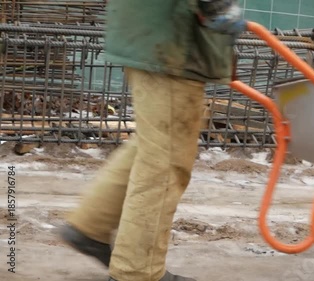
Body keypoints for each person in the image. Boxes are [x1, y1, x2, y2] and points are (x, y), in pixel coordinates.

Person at [57, 1, 247, 280]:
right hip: (173, 40)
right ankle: (136, 273)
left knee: (155, 145)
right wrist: (218, 6)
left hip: (152, 32)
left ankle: (91, 226)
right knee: (166, 161)